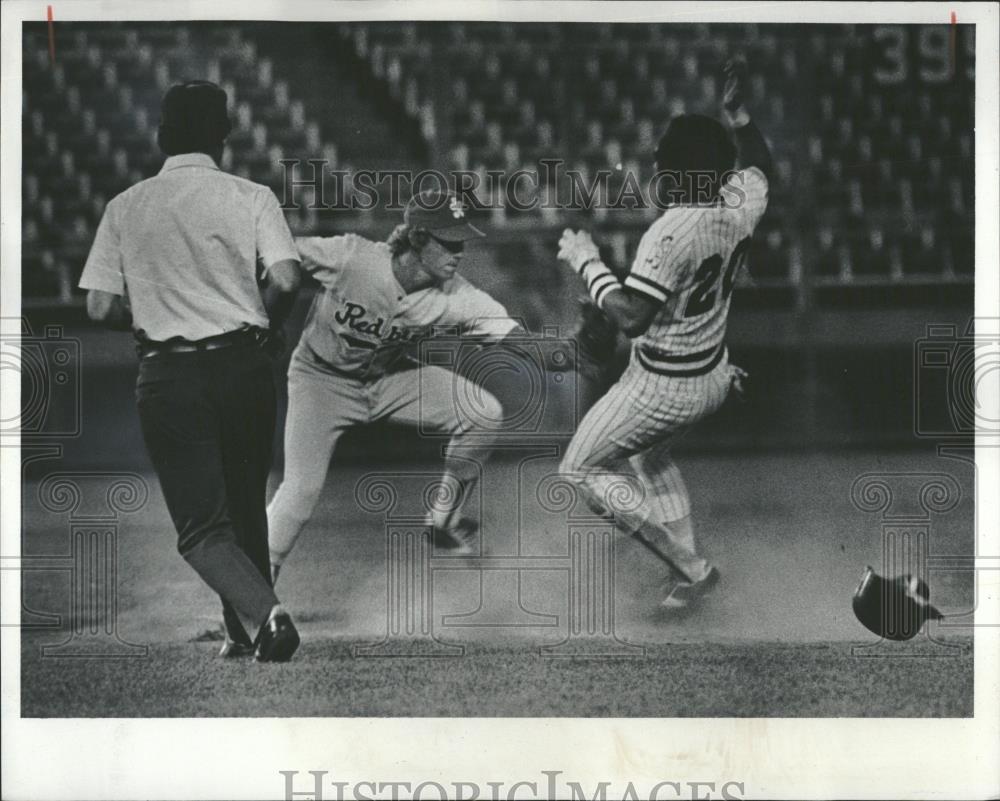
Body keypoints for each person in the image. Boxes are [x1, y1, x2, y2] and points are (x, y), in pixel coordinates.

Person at [80, 81, 303, 661]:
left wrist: (150, 315)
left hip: (169, 373)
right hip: (244, 365)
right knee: (247, 506)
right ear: (223, 138)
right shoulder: (252, 196)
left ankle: (265, 617)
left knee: (202, 526)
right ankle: (244, 627)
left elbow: (100, 307)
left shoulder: (124, 207)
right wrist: (263, 324)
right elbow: (285, 280)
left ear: (161, 136)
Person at [556, 57, 772, 609]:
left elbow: (632, 317)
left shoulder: (671, 230)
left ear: (681, 173)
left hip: (662, 386)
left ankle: (692, 568)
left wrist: (587, 262)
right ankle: (687, 575)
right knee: (649, 461)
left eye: (662, 164)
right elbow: (761, 165)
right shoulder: (738, 205)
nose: (656, 171)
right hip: (712, 373)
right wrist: (740, 118)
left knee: (579, 470)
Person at [266, 190, 522, 578]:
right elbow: (276, 254)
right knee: (299, 493)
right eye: (449, 242)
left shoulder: (459, 296)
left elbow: (518, 341)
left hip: (390, 378)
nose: (459, 252)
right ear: (418, 238)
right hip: (320, 380)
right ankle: (248, 594)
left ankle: (443, 521)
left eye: (461, 241)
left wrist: (572, 351)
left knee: (483, 412)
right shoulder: (354, 258)